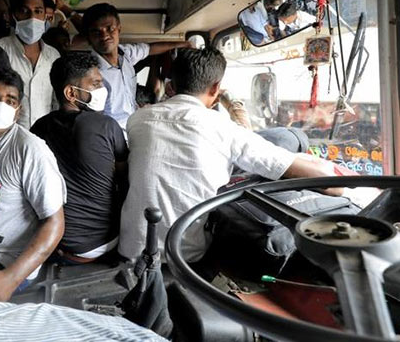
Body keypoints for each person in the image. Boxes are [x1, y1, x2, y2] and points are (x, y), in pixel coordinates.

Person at [119, 47, 343, 262]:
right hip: (184, 255)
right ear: (216, 88)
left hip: (131, 249)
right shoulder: (223, 128)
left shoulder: (138, 119)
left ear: (171, 85)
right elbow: (333, 184)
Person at [0, 67, 66, 301]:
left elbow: (55, 223)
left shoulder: (29, 150)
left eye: (10, 100)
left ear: (18, 111)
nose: (1, 105)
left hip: (5, 258)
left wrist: (10, 278)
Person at [31, 52, 128, 264]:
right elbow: (124, 181)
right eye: (95, 84)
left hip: (56, 241)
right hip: (104, 243)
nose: (103, 90)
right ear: (71, 92)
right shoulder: (107, 126)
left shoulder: (38, 127)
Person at [82, 3, 191, 129]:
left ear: (119, 29)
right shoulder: (90, 72)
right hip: (113, 135)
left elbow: (150, 48)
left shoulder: (126, 54)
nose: (105, 35)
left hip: (134, 125)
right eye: (96, 32)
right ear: (89, 38)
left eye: (110, 28)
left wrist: (183, 44)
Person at [0, 0, 61, 128]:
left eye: (38, 11)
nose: (32, 17)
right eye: (24, 11)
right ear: (13, 16)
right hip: (7, 137)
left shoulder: (53, 56)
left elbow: (56, 103)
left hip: (44, 139)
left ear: (45, 16)